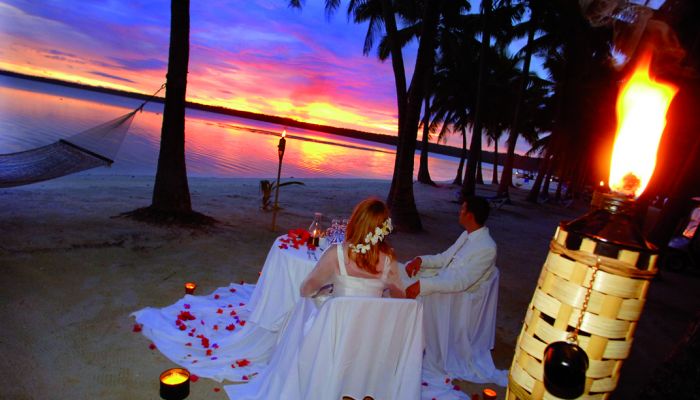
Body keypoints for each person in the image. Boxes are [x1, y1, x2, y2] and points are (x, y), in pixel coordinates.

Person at [300, 197, 405, 299]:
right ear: (385, 229)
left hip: (339, 316)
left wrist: (324, 292)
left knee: (308, 303)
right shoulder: (388, 258)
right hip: (371, 316)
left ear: (355, 221)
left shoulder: (336, 252)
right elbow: (399, 297)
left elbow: (306, 290)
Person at [404, 195, 496, 299]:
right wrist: (421, 260)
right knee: (398, 270)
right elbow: (444, 258)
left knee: (396, 286)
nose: (459, 212)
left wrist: (424, 285)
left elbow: (461, 282)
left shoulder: (487, 248)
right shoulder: (466, 234)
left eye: (462, 209)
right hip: (440, 280)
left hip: (452, 296)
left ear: (469, 216)